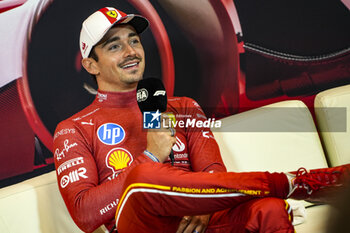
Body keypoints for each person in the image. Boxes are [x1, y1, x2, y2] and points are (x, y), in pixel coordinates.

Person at [53, 6, 350, 233]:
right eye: (114, 46)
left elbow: (211, 171)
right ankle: (291, 182)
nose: (131, 51)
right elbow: (85, 215)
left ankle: (281, 189)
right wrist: (150, 156)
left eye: (134, 41)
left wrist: (204, 206)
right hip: (142, 227)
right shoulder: (73, 129)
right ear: (90, 64)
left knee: (269, 210)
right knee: (140, 178)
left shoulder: (183, 106)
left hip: (201, 224)